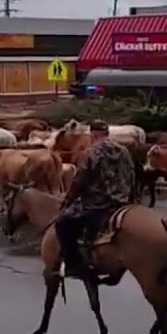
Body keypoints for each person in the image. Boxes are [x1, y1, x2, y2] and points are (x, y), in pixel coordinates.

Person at [55, 120, 136, 280]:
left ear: (93, 134)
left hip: (98, 203)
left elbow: (80, 180)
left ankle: (73, 265)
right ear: (107, 133)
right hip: (122, 201)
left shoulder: (91, 153)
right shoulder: (123, 150)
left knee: (63, 223)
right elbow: (132, 174)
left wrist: (69, 199)